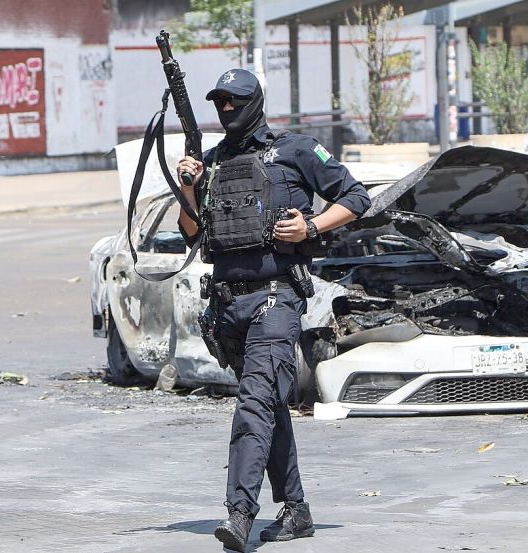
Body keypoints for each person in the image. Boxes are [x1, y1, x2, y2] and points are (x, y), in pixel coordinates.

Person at [175, 69, 370, 551]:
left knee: (254, 404)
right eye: (218, 101)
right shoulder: (213, 163)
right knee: (268, 405)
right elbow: (191, 234)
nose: (225, 109)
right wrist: (189, 187)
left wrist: (313, 228)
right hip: (227, 306)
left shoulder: (296, 150)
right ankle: (297, 509)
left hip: (275, 299)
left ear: (254, 101)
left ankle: (239, 513)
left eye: (233, 100)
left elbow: (357, 196)